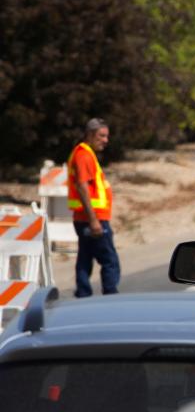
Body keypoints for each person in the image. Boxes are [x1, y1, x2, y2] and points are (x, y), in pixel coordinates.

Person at [67, 118, 120, 296]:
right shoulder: (83, 155)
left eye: (107, 136)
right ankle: (110, 295)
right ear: (90, 135)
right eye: (101, 136)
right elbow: (82, 186)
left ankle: (83, 293)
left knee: (85, 257)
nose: (106, 140)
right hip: (93, 219)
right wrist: (93, 220)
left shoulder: (84, 153)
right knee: (109, 260)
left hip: (86, 218)